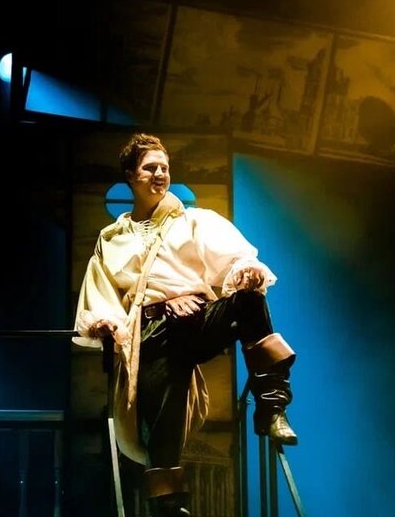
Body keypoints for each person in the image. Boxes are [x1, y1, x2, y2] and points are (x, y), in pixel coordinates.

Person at [73, 133, 297, 517]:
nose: (160, 174)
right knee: (162, 432)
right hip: (151, 335)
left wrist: (245, 272)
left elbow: (235, 259)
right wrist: (108, 323)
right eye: (150, 168)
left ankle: (271, 407)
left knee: (250, 301)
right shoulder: (111, 238)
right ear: (131, 175)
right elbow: (102, 294)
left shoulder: (194, 221)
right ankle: (169, 508)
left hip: (195, 321)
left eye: (164, 168)